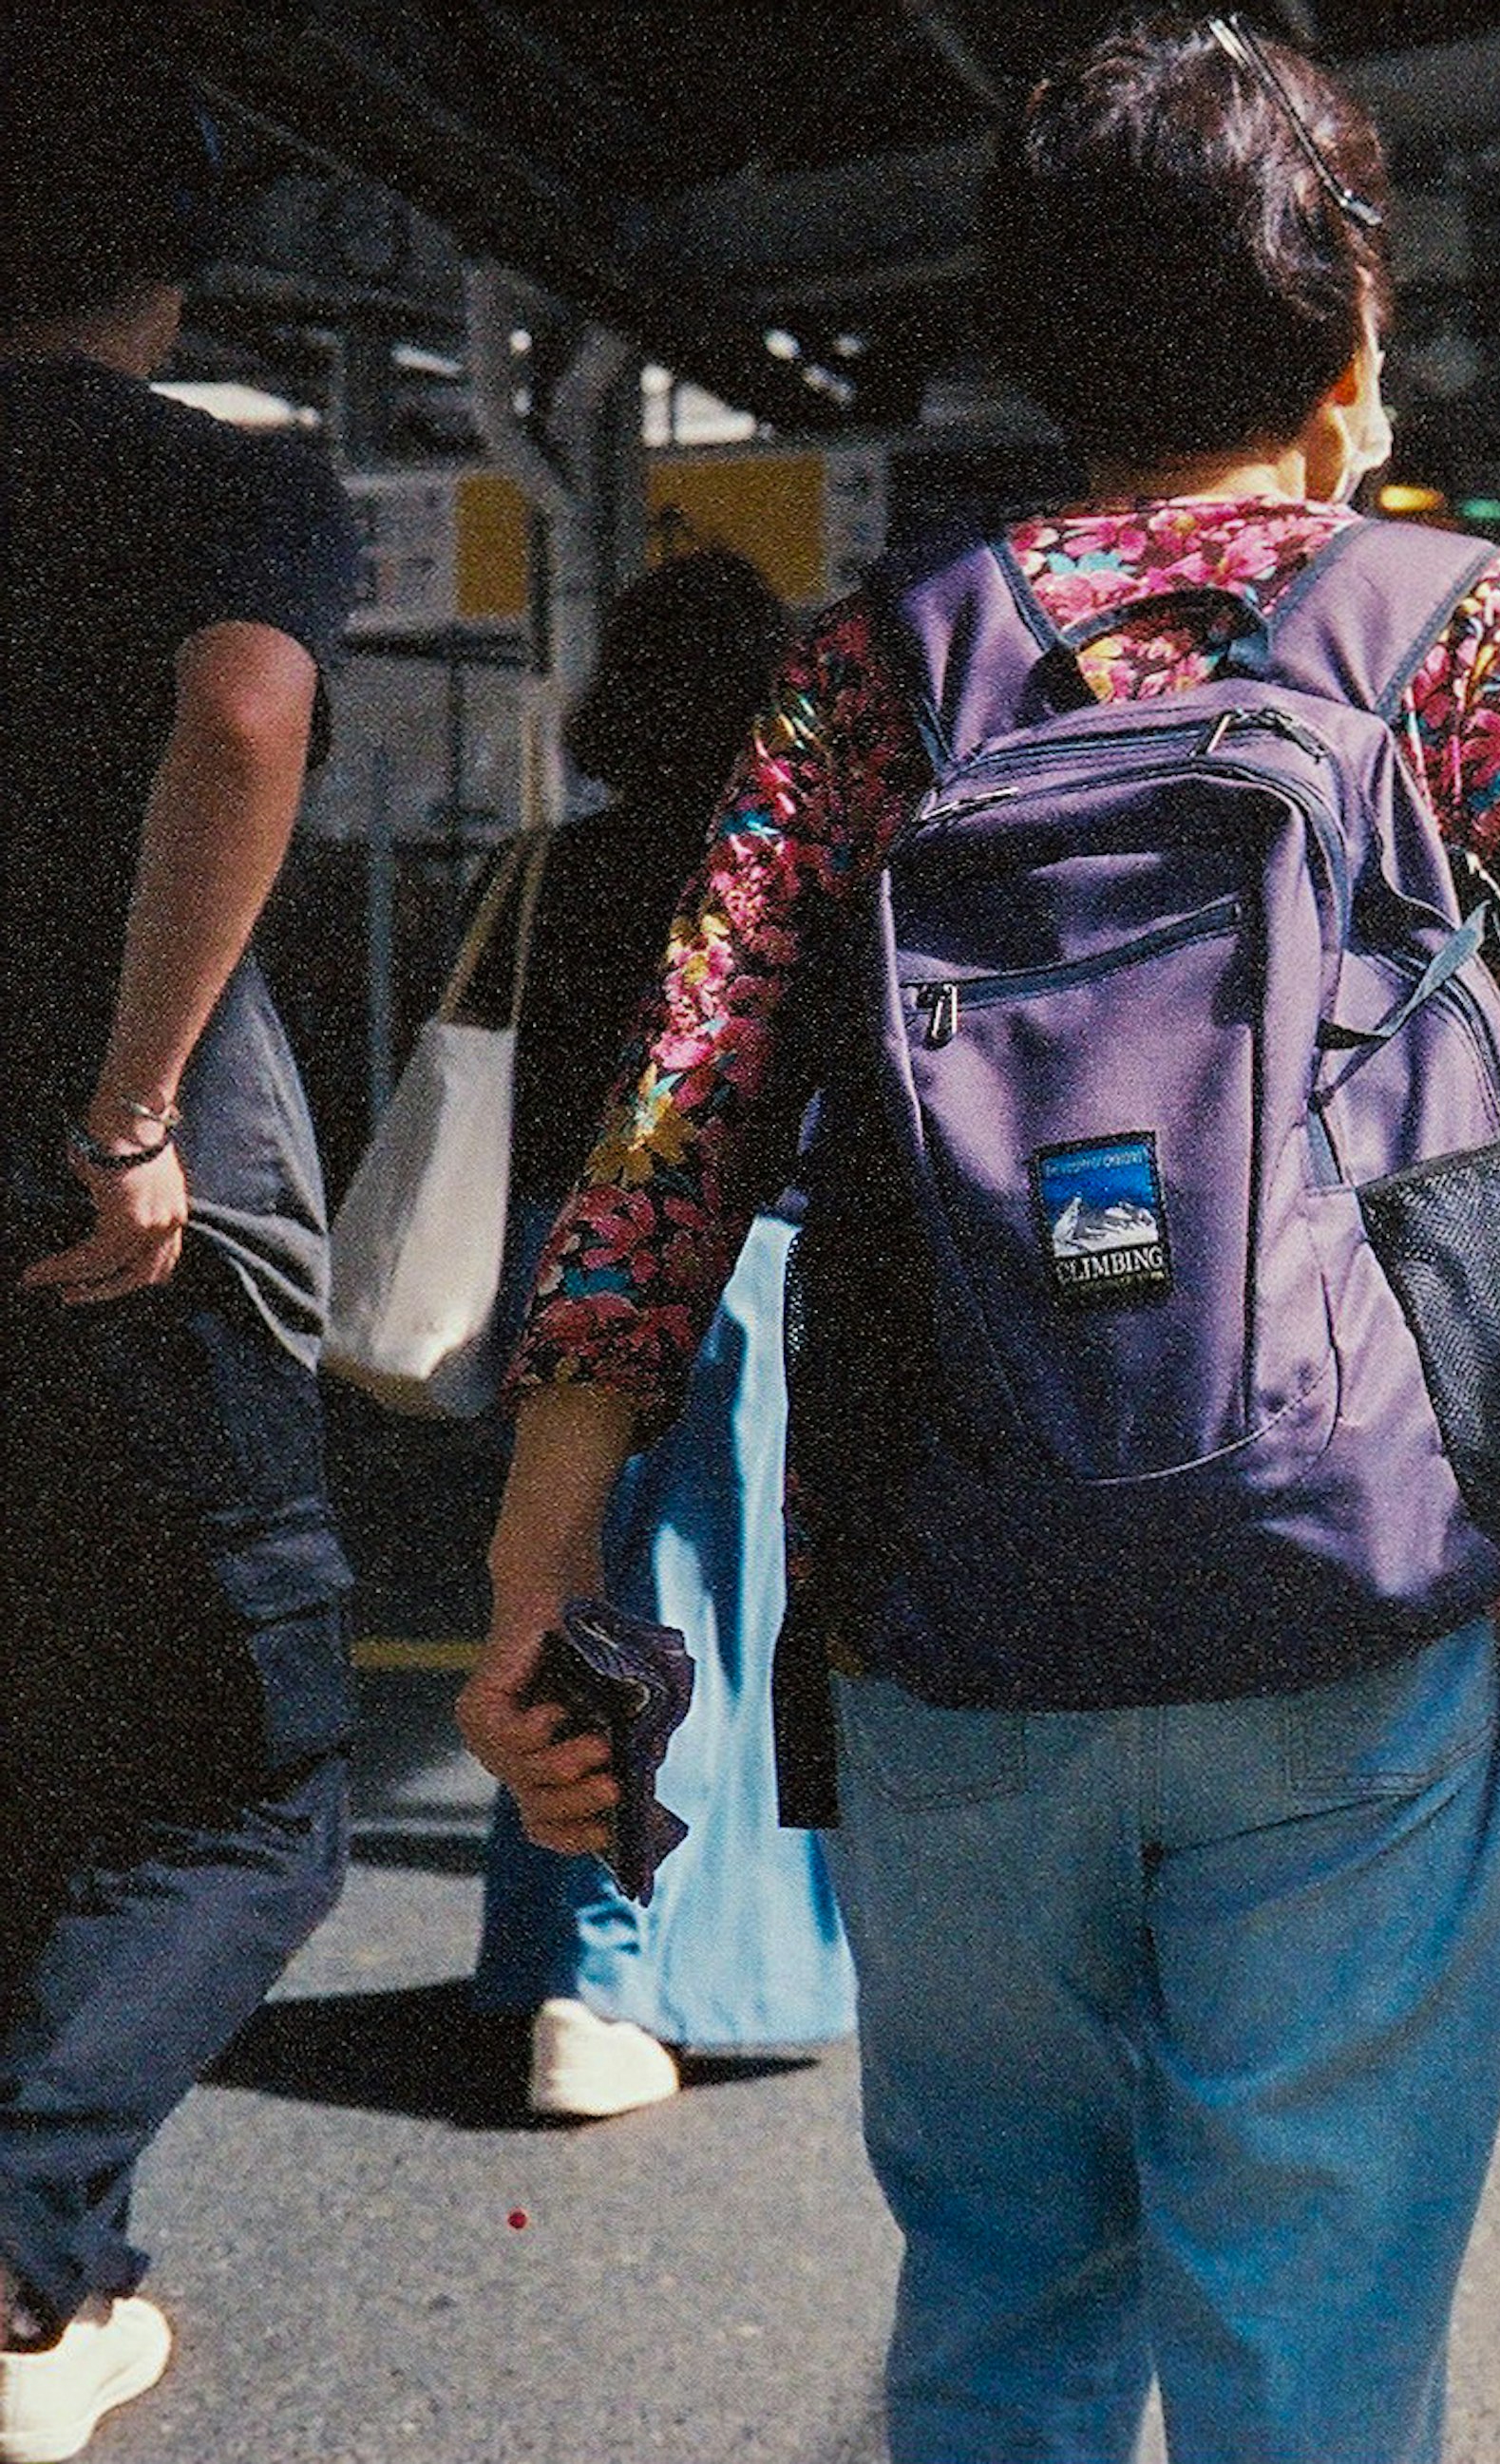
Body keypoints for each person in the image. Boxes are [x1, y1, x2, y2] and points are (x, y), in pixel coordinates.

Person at [457, 18, 1500, 2462]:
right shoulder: (1451, 629)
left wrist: (540, 1563)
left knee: (1008, 2318)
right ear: (1350, 343)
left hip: (954, 1622)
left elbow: (667, 1147)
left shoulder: (875, 675)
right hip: (1350, 1611)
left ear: (1042, 349)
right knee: (1314, 2352)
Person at [0, 35, 363, 2464]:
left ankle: (67, 2274)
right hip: (129, 1230)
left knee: (37, 1753)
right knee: (259, 1787)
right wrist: (133, 1104)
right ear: (170, 253)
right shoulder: (220, 484)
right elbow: (241, 713)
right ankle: (20, 2253)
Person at [467, 548, 855, 2121]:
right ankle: (620, 1977)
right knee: (691, 1609)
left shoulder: (555, 864)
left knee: (560, 1595)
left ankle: (567, 1943)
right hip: (738, 1282)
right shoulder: (800, 867)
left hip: (550, 1269)